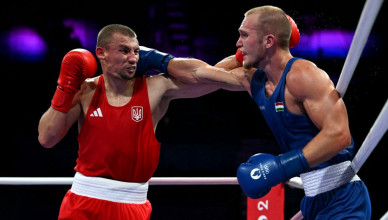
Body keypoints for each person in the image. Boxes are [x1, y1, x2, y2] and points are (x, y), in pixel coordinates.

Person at [37, 24, 245, 219]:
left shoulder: (156, 88)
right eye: (124, 50)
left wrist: (240, 58)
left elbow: (207, 76)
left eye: (136, 51)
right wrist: (64, 88)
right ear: (101, 53)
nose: (133, 58)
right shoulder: (85, 91)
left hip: (132, 204)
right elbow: (47, 138)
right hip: (83, 201)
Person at [215, 5, 371, 219]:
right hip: (312, 200)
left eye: (244, 35)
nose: (238, 42)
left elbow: (340, 135)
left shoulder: (303, 75)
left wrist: (281, 167)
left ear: (269, 41)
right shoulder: (255, 81)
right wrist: (162, 62)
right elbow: (206, 75)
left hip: (342, 199)